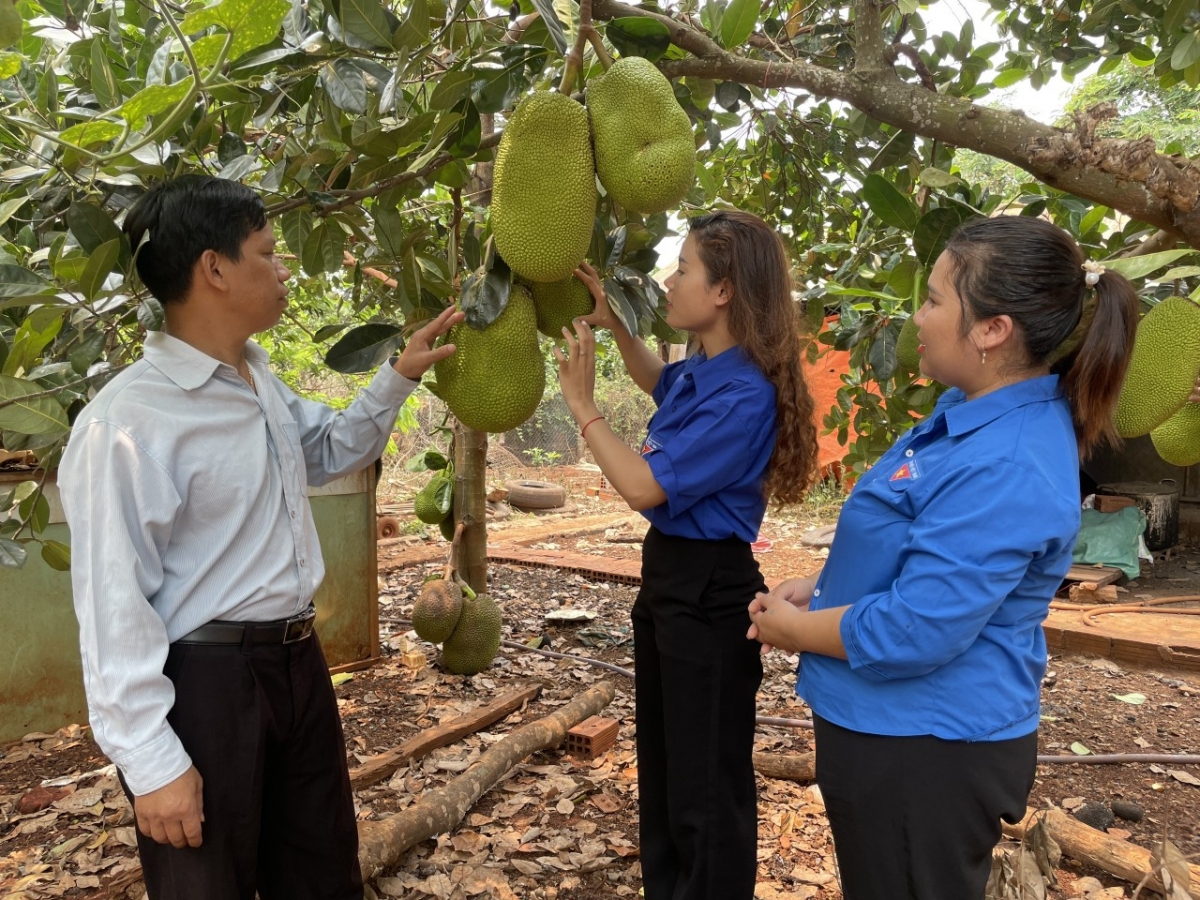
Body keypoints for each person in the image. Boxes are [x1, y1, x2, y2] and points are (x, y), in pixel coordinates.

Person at [57, 175, 463, 900]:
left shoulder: (258, 383)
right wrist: (152, 761)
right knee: (208, 885)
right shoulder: (129, 422)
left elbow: (333, 448)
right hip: (206, 686)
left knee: (317, 870)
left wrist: (399, 375)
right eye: (269, 253)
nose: (284, 270)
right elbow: (113, 604)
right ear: (214, 269)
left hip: (298, 668)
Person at [747, 216, 1139, 900]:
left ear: (993, 330)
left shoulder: (1010, 461)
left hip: (923, 750)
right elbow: (916, 542)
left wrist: (790, 632)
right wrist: (823, 585)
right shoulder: (966, 412)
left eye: (933, 300)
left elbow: (916, 628)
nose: (917, 317)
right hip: (887, 733)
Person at [555, 210, 819, 900]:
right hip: (671, 578)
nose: (670, 282)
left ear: (724, 290)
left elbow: (643, 485)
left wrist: (584, 408)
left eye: (684, 270)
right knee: (667, 767)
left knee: (706, 785)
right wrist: (615, 325)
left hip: (710, 590)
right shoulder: (704, 369)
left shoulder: (743, 395)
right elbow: (657, 381)